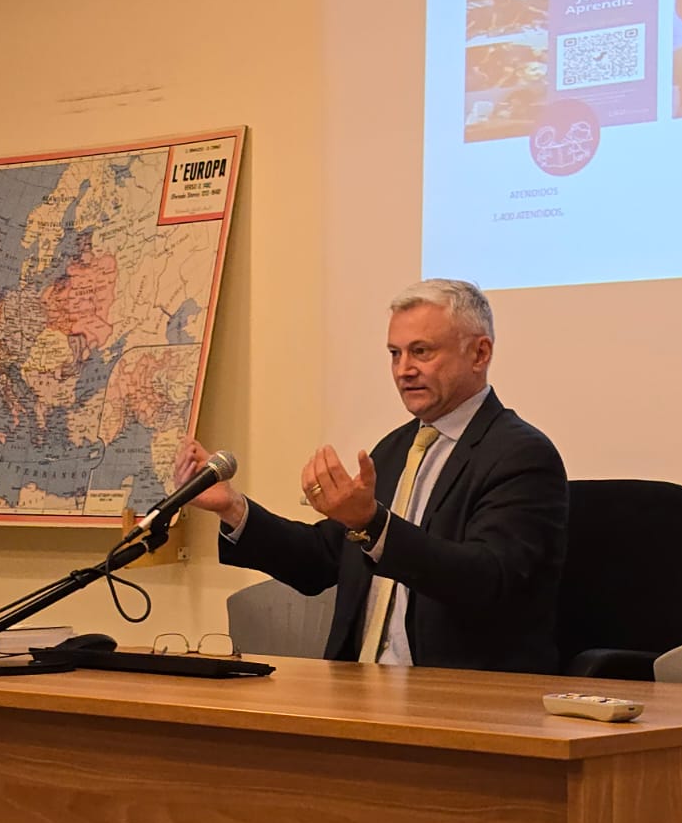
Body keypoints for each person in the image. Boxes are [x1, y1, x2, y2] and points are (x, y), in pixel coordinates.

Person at [177, 279, 567, 672]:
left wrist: (372, 524)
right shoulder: (395, 449)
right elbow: (320, 560)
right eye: (395, 353)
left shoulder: (521, 456)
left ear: (480, 353)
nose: (404, 370)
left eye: (421, 352)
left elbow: (487, 580)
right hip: (359, 685)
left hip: (458, 689)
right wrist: (232, 508)